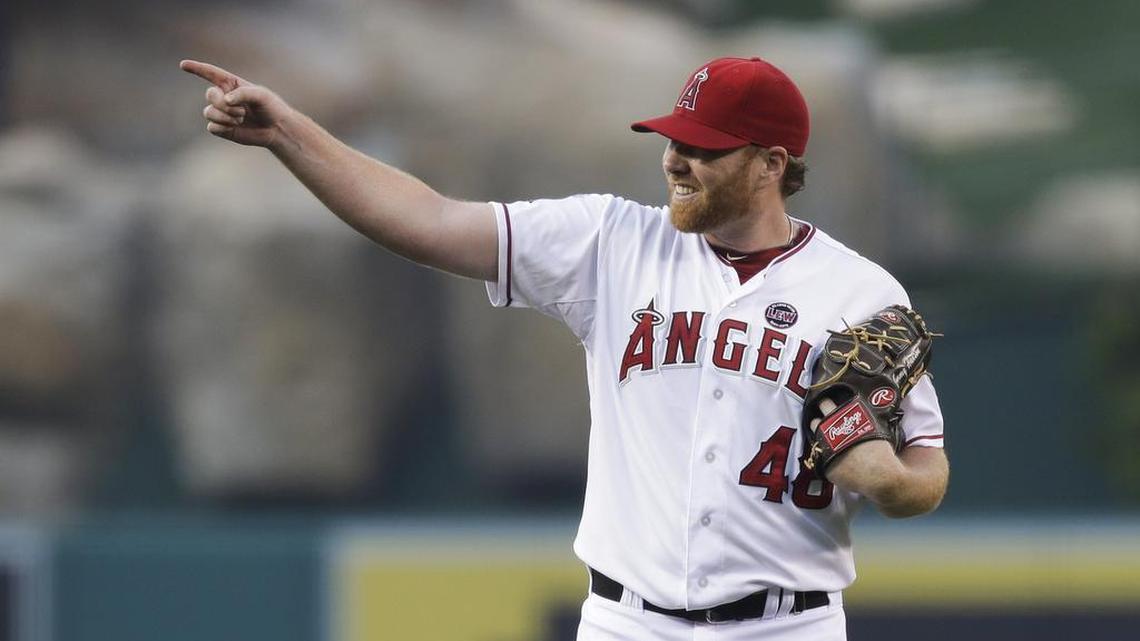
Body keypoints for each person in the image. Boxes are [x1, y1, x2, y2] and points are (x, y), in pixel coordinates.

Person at [181, 55, 948, 641]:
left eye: (703, 148)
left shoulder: (860, 292)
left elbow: (926, 471)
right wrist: (288, 133)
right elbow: (429, 220)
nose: (675, 159)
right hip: (627, 622)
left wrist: (886, 477)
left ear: (771, 165)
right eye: (672, 140)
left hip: (787, 626)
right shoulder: (610, 241)